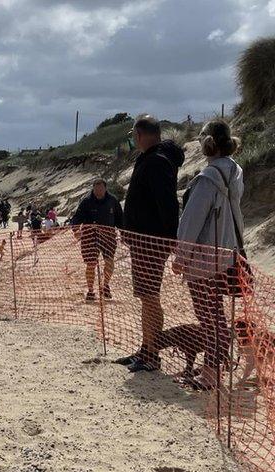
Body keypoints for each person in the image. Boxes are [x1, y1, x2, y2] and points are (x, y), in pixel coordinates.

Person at [173, 120, 244, 389]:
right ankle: (213, 369)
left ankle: (210, 374)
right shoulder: (235, 172)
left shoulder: (208, 178)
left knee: (208, 317)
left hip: (204, 259)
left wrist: (181, 255)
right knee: (216, 315)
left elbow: (191, 222)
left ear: (209, 143)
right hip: (227, 253)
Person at [117, 114, 185, 372]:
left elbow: (168, 204)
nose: (134, 140)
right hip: (144, 241)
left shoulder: (156, 161)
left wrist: (169, 240)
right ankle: (146, 348)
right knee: (147, 297)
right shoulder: (152, 158)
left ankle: (151, 353)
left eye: (134, 136)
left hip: (150, 243)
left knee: (149, 298)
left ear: (139, 135)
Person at [70, 178, 123, 301]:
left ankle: (105, 286)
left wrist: (124, 233)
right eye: (96, 189)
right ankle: (90, 290)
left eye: (100, 189)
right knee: (91, 264)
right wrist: (76, 230)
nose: (98, 192)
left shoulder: (113, 201)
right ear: (93, 189)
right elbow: (77, 218)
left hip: (108, 236)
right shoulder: (86, 202)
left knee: (109, 262)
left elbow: (120, 219)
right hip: (89, 237)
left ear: (105, 188)